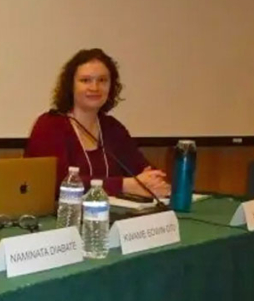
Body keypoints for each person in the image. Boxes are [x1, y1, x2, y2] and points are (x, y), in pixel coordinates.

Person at [24, 48, 170, 197]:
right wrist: (125, 185)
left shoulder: (112, 128)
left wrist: (153, 180)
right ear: (70, 86)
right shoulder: (50, 125)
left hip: (111, 216)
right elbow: (56, 183)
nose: (95, 88)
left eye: (102, 80)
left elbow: (146, 170)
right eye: (85, 80)